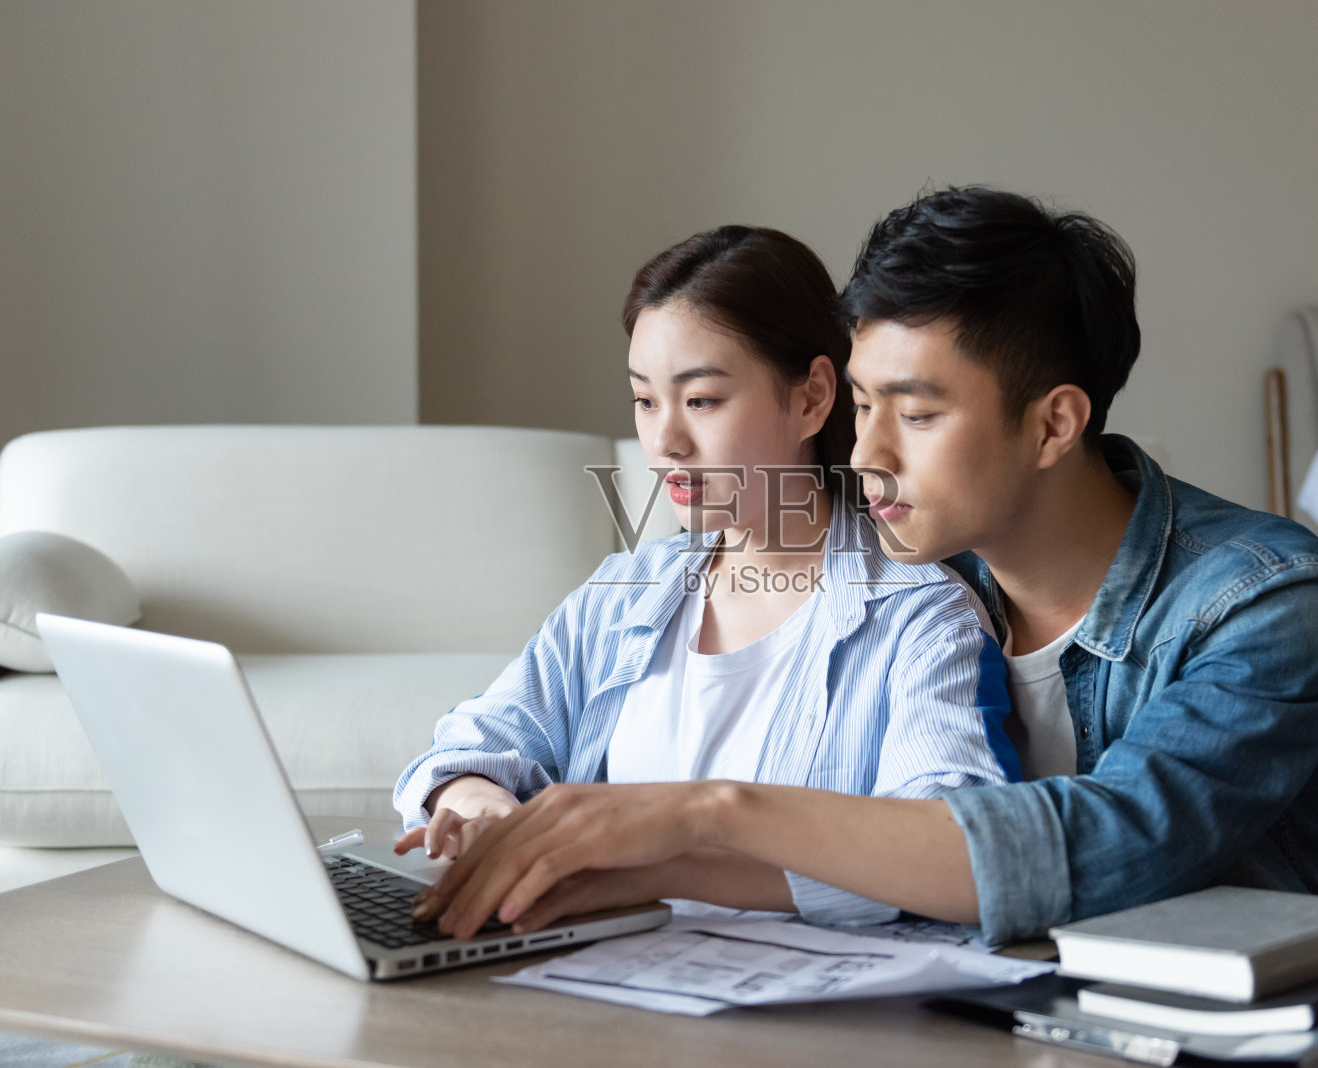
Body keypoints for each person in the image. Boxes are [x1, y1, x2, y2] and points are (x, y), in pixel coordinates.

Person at [408, 188, 1318, 947]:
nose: (866, 452)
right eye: (863, 407)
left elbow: (1109, 842)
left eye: (915, 415)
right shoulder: (925, 569)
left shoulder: (1267, 600)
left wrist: (703, 818)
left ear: (1053, 422)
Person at [394, 224, 1017, 926]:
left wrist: (659, 870)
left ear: (812, 398)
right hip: (592, 988)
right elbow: (477, 743)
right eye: (645, 401)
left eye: (701, 401)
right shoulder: (627, 590)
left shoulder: (920, 616)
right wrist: (483, 810)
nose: (665, 441)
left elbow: (954, 853)